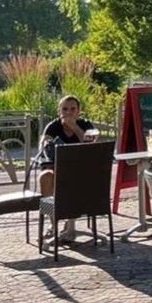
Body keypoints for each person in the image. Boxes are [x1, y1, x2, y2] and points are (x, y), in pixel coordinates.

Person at [35, 95, 97, 241]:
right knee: (45, 177)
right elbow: (43, 146)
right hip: (57, 170)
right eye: (65, 109)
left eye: (72, 109)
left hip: (82, 172)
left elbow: (91, 146)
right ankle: (54, 224)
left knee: (73, 180)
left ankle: (70, 226)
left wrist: (74, 127)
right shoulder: (53, 126)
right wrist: (46, 145)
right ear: (59, 111)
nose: (68, 112)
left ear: (79, 111)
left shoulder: (86, 125)